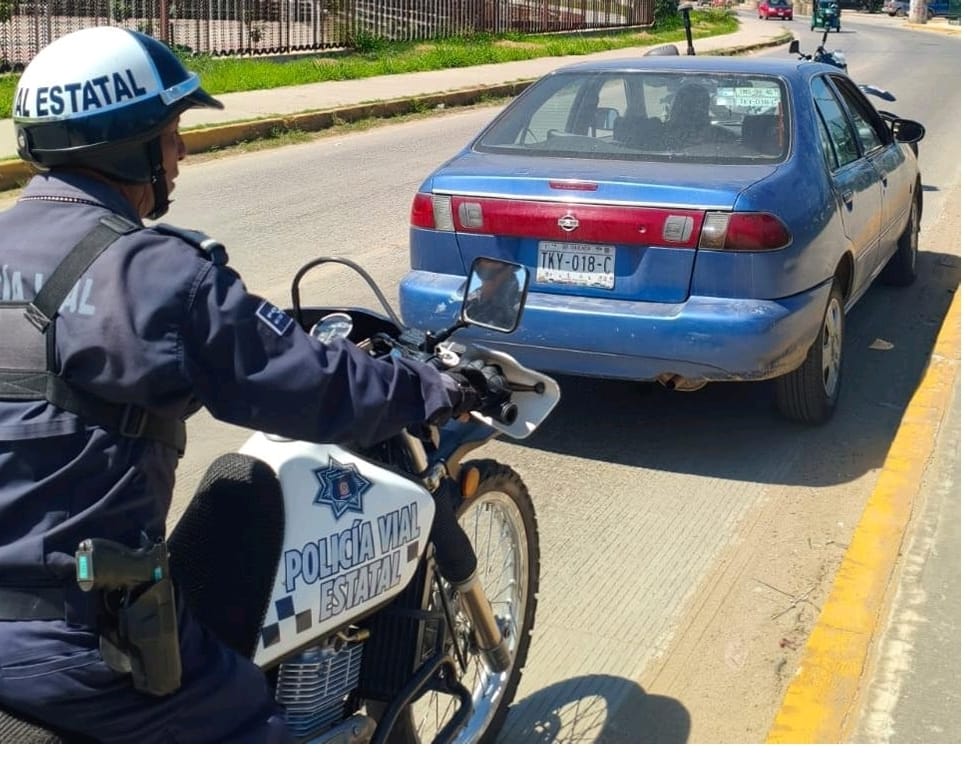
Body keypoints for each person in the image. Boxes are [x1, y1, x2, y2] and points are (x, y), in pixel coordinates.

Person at [0, 26, 483, 743]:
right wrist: (433, 387)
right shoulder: (158, 274)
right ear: (131, 148)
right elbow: (314, 386)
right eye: (171, 135)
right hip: (67, 642)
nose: (181, 154)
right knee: (257, 728)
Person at [463, 259, 523, 329]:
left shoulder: (520, 306)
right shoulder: (470, 301)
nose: (487, 282)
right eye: (482, 272)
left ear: (508, 271)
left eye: (491, 273)